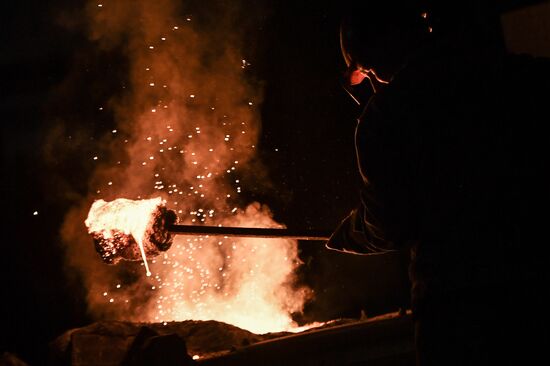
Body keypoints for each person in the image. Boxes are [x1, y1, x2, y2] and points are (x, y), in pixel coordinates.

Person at [327, 1, 550, 365]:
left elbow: (388, 225)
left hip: (459, 307)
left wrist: (351, 233)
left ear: (384, 45)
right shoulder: (515, 74)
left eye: (367, 68)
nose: (373, 79)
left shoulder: (385, 118)